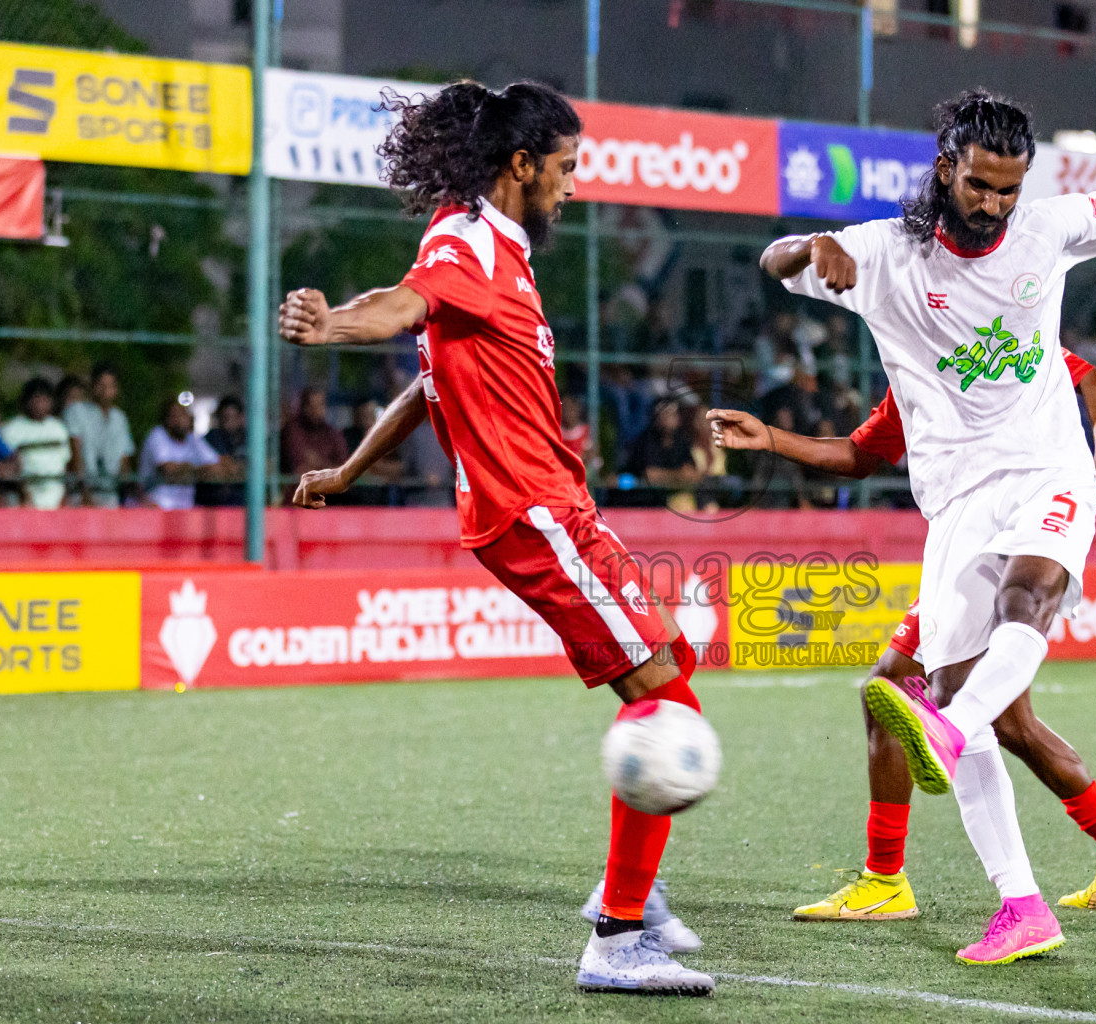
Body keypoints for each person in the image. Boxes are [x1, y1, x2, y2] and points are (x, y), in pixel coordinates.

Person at [275, 79, 712, 995]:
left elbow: (430, 378)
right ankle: (617, 936)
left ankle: (627, 893)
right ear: (521, 165)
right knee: (665, 705)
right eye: (565, 169)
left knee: (673, 682)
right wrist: (332, 327)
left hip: (552, 508)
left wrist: (349, 472)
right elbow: (401, 307)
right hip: (532, 513)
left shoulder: (495, 249)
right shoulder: (468, 242)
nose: (572, 186)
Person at [757, 89, 1096, 965]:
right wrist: (816, 245)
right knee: (963, 699)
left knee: (1028, 601)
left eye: (1008, 191)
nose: (994, 205)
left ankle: (946, 742)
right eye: (981, 185)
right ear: (947, 168)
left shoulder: (1046, 227)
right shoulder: (884, 252)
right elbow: (773, 260)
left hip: (1047, 470)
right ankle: (1022, 905)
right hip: (954, 501)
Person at [710, 350, 1096, 921]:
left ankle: (890, 879)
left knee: (907, 694)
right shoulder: (912, 367)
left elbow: (1093, 378)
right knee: (1002, 719)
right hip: (967, 541)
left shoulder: (985, 327)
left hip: (1014, 523)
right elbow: (860, 454)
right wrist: (772, 438)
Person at [65, 363, 136, 507]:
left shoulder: (120, 418)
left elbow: (124, 460)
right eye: (100, 385)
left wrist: (129, 494)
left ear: (116, 389)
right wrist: (85, 493)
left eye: (110, 386)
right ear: (92, 386)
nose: (105, 391)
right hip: (82, 494)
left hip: (111, 494)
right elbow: (74, 455)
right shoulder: (76, 411)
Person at [0, 378, 72, 510]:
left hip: (56, 498)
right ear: (26, 401)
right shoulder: (12, 430)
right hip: (23, 500)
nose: (40, 404)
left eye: (44, 399)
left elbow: (65, 465)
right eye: (36, 399)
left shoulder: (58, 429)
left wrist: (64, 498)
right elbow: (7, 468)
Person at [139, 399, 223, 510]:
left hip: (185, 507)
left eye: (184, 415)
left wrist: (191, 469)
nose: (182, 420)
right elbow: (168, 469)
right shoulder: (157, 435)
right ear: (167, 420)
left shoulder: (192, 438)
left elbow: (216, 465)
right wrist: (200, 470)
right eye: (176, 416)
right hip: (156, 504)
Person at [280, 388, 349, 487]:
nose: (316, 411)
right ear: (303, 408)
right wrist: (330, 468)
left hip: (331, 493)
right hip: (299, 493)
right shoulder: (292, 431)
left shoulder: (332, 433)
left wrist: (318, 462)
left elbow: (344, 470)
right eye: (311, 406)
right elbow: (301, 471)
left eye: (320, 405)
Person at [197, 396, 247, 507]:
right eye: (225, 418)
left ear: (241, 417)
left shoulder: (250, 440)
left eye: (233, 418)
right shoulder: (209, 439)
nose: (228, 423)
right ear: (218, 418)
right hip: (212, 503)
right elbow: (209, 467)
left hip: (242, 502)